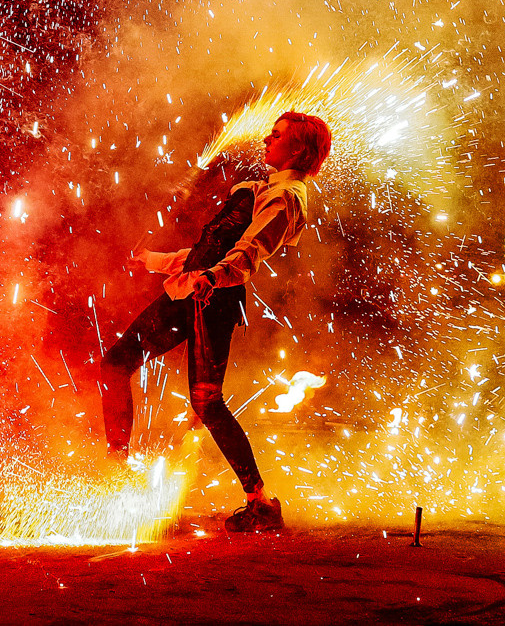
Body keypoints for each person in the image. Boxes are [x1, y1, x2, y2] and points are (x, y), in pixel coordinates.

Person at [97, 109, 332, 533]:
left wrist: (212, 278)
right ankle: (117, 470)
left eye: (275, 136)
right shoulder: (261, 189)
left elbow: (249, 252)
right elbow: (206, 251)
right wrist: (152, 261)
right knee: (115, 365)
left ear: (297, 147)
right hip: (191, 292)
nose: (265, 140)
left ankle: (261, 502)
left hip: (214, 300)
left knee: (206, 402)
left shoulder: (288, 196)